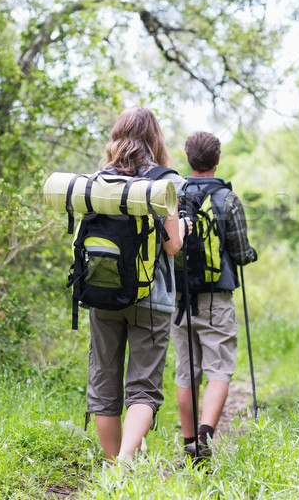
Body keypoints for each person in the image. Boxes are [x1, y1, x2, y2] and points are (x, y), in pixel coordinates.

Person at [86, 105, 191, 465]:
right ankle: (124, 466)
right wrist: (185, 228)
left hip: (103, 294)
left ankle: (114, 466)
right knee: (143, 388)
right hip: (153, 297)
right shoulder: (166, 182)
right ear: (155, 138)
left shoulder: (98, 181)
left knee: (104, 385)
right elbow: (173, 246)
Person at [171, 131, 257, 462]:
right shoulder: (227, 199)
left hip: (180, 300)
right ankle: (204, 438)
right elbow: (239, 250)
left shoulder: (173, 196)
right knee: (218, 369)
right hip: (216, 300)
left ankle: (188, 440)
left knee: (185, 371)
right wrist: (250, 255)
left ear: (189, 159)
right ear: (217, 160)